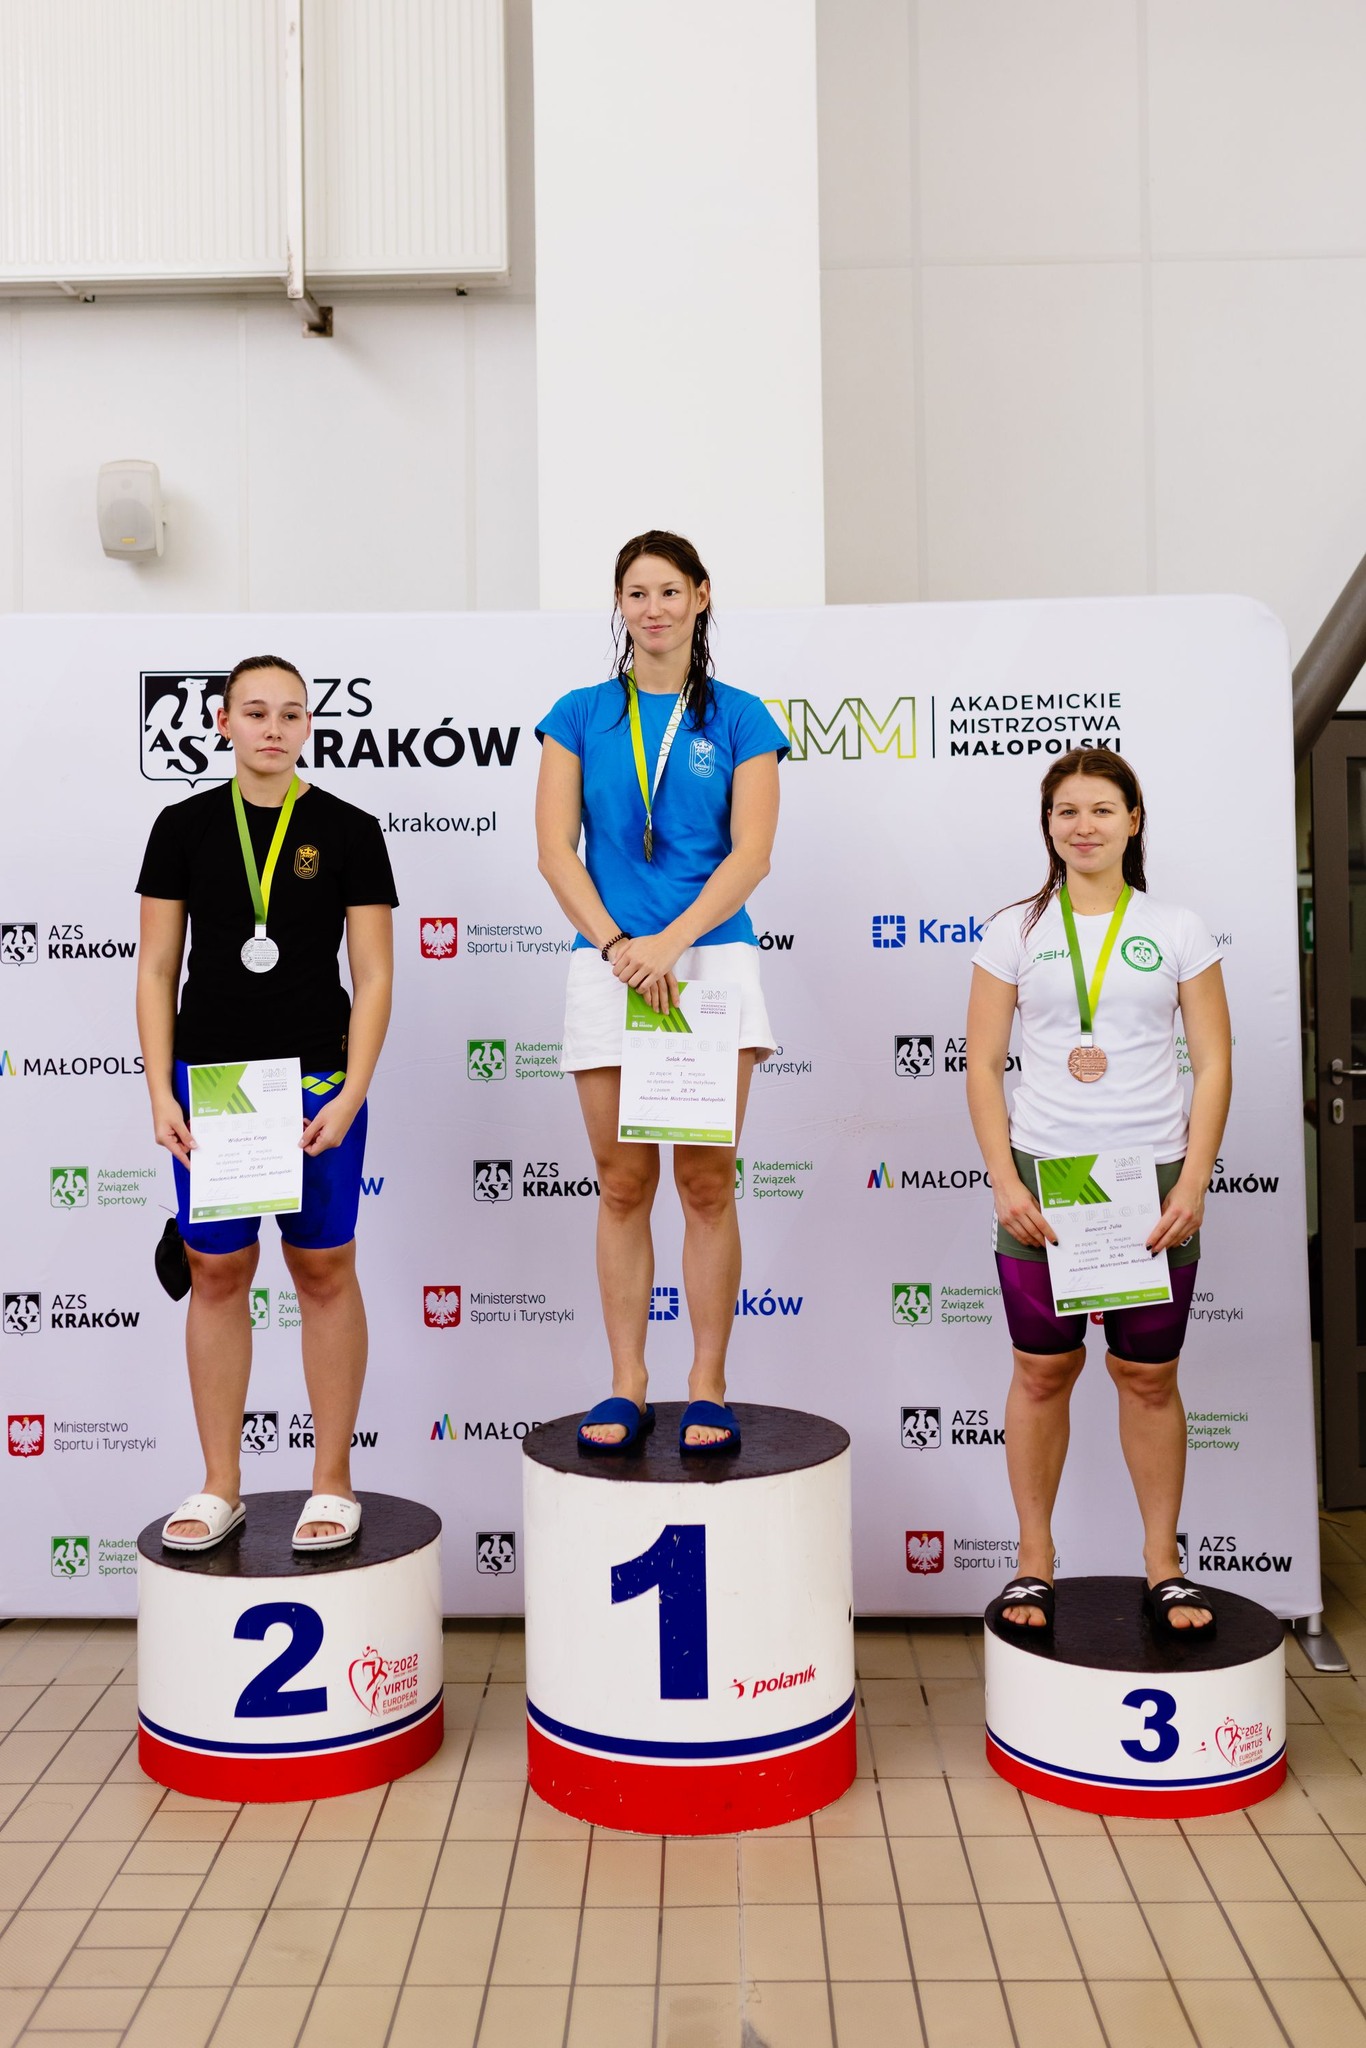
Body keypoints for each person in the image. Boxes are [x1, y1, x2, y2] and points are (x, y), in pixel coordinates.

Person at [965, 747, 1232, 1642]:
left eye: (1102, 810)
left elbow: (1214, 1062)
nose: (1084, 826)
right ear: (1048, 826)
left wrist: (1193, 1181)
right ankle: (1033, 1561)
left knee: (1147, 1378)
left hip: (1149, 1182)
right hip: (1047, 1179)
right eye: (1067, 811)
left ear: (1133, 821)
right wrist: (1005, 1179)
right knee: (1042, 1371)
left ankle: (1163, 1565)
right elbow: (981, 1063)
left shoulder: (1178, 928)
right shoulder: (1015, 930)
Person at [136, 655, 397, 1551]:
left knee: (323, 1270)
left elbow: (373, 975)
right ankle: (221, 1485)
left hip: (318, 1084)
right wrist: (160, 1090)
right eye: (255, 712)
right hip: (213, 1086)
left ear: (308, 725)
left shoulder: (350, 829)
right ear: (222, 723)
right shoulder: (182, 826)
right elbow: (157, 969)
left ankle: (333, 1482)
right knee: (217, 1274)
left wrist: (354, 1091)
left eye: (291, 713)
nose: (273, 728)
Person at [535, 530, 787, 1453]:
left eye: (670, 591)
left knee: (707, 1183)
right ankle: (627, 1384)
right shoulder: (579, 714)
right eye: (636, 593)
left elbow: (751, 855)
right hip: (609, 963)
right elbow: (555, 851)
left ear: (701, 597)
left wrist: (669, 946)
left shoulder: (741, 717)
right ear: (619, 605)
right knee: (622, 1183)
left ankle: (707, 1385)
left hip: (708, 964)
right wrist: (619, 946)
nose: (653, 609)